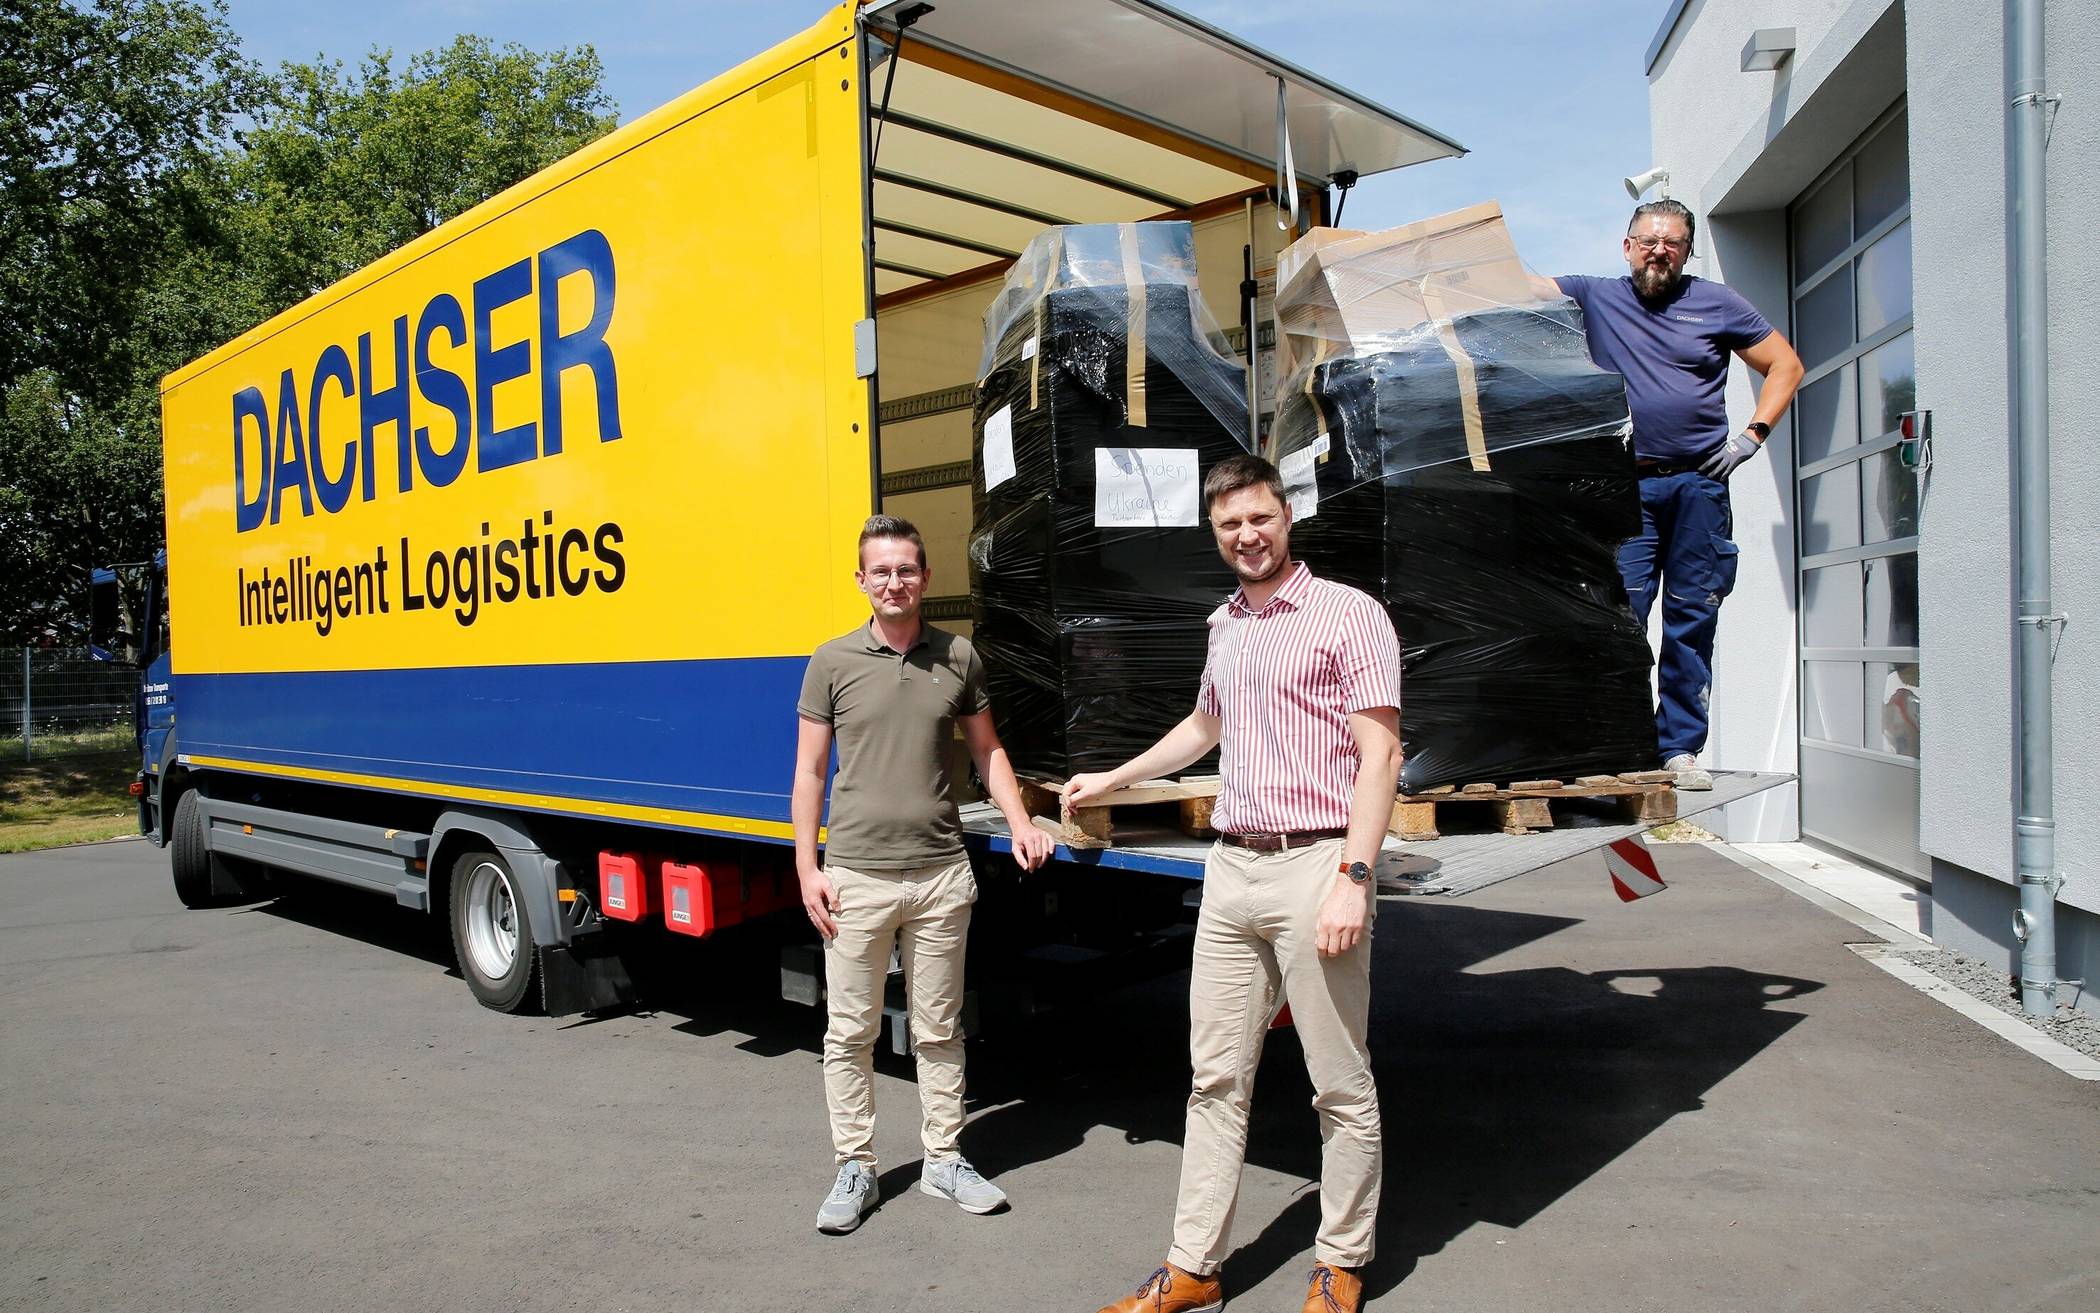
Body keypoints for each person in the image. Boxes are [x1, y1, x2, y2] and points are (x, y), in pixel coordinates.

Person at [1067, 454, 1403, 1313]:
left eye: (1258, 518)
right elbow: (1204, 725)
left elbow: (1381, 755)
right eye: (1229, 526)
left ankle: (1341, 1261)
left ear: (1284, 516)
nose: (1246, 536)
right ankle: (1193, 1265)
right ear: (1213, 534)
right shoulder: (1226, 623)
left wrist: (1353, 877)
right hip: (1232, 869)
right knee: (1213, 1076)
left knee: (1339, 1079)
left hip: (1315, 862)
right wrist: (1116, 778)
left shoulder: (1348, 615)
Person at [792, 513, 1056, 1235]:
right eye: (880, 570)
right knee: (850, 1033)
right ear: (861, 580)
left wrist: (1023, 819)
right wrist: (807, 865)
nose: (894, 581)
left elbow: (989, 751)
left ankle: (944, 1158)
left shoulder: (958, 657)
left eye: (906, 568)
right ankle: (856, 1165)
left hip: (941, 874)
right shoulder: (832, 660)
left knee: (940, 1028)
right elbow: (810, 770)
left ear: (926, 578)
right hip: (856, 877)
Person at [1549, 198, 1804, 789]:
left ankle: (1678, 749)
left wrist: (1752, 435)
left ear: (1688, 252)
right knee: (1621, 617)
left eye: (1672, 243)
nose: (1659, 250)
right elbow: (1516, 289)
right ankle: (1618, 741)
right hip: (1626, 485)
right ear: (1627, 246)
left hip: (1699, 483)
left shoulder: (1717, 303)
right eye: (1648, 240)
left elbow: (1785, 365)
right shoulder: (1594, 295)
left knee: (1692, 616)